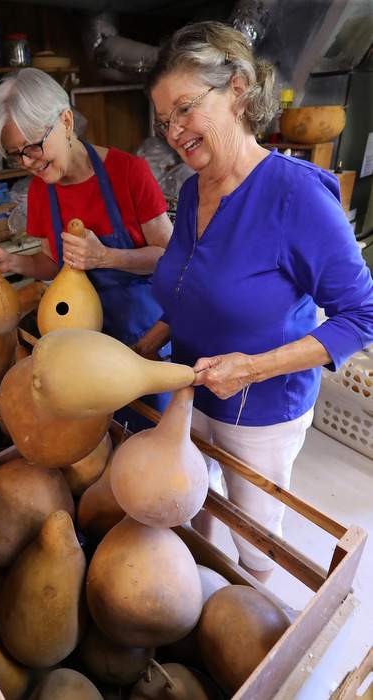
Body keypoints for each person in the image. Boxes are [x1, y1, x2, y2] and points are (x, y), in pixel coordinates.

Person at [137, 21, 373, 581]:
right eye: (165, 120)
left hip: (260, 410)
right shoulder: (194, 188)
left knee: (254, 536)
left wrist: (253, 369)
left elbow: (362, 315)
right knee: (196, 507)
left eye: (186, 110)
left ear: (238, 88)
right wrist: (153, 337)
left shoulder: (296, 194)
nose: (174, 131)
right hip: (191, 388)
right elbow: (199, 283)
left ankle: (256, 614)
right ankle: (205, 597)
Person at [0, 67, 173, 417]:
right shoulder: (41, 190)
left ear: (65, 121)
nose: (27, 162)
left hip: (144, 341)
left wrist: (107, 257)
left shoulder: (130, 172)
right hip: (84, 346)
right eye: (15, 154)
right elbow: (52, 262)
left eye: (33, 146)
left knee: (156, 436)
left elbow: (170, 257)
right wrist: (13, 263)